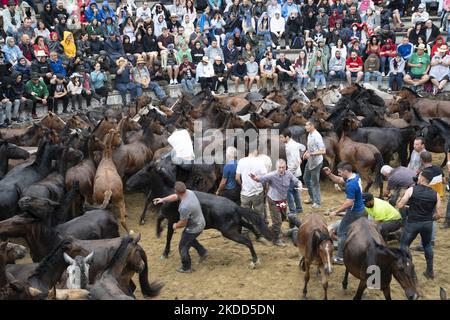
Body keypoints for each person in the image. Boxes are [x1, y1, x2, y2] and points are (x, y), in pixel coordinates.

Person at [153, 181, 208, 273]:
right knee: (189, 239)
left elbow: (183, 222)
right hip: (200, 221)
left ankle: (186, 267)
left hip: (194, 227)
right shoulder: (189, 192)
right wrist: (163, 199)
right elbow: (175, 197)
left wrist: (175, 225)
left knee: (183, 245)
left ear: (176, 190)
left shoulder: (184, 207)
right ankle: (203, 252)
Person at [396, 170, 442, 279]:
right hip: (427, 224)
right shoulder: (436, 194)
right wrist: (430, 218)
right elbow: (439, 214)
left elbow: (401, 205)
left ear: (422, 179)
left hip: (413, 223)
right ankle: (430, 272)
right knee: (427, 245)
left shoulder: (411, 190)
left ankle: (410, 272)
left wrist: (399, 203)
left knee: (404, 245)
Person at [250, 159, 302, 247]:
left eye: (283, 167)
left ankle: (273, 229)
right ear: (276, 167)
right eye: (279, 168)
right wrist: (255, 178)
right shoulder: (272, 175)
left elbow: (296, 181)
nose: (281, 169)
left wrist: (299, 185)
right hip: (273, 200)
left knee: (282, 217)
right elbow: (261, 179)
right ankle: (276, 239)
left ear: (286, 167)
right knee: (277, 220)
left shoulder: (288, 174)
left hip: (282, 200)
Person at [323, 161, 365, 265]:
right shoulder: (355, 176)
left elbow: (349, 203)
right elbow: (339, 180)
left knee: (341, 232)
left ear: (346, 171)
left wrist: (335, 212)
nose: (339, 174)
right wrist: (329, 174)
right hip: (360, 209)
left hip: (353, 211)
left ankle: (340, 257)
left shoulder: (351, 184)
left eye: (340, 172)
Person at [235, 148, 269, 243]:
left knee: (245, 214)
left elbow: (237, 177)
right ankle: (259, 235)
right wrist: (265, 188)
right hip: (257, 192)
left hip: (245, 193)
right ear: (256, 150)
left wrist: (242, 185)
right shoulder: (260, 161)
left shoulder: (241, 161)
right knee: (259, 214)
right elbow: (265, 178)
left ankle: (245, 234)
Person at [280, 129, 306, 219]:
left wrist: (288, 173)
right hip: (296, 172)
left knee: (289, 192)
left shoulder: (291, 146)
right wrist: (302, 156)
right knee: (295, 191)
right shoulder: (293, 144)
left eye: (282, 137)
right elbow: (303, 147)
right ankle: (299, 208)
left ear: (287, 137)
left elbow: (295, 161)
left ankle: (292, 211)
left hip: (293, 172)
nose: (281, 139)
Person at [303, 120, 326, 208]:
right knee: (306, 178)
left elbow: (323, 151)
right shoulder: (310, 134)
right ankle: (312, 197)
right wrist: (306, 152)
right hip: (310, 161)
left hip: (316, 162)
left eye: (307, 125)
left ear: (312, 126)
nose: (305, 127)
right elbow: (311, 147)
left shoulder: (317, 136)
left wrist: (311, 154)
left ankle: (317, 202)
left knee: (315, 182)